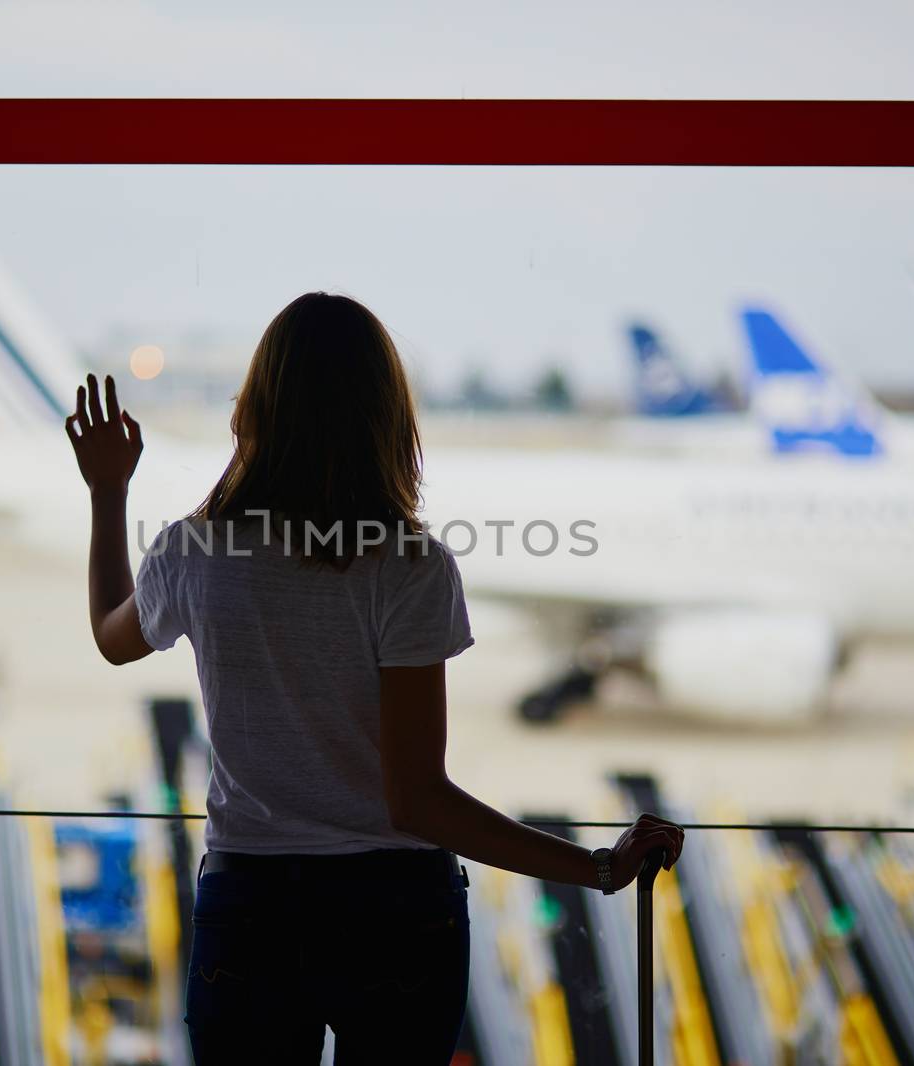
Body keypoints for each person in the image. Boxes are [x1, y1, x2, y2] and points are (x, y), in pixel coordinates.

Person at [66, 292, 683, 1063]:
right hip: (397, 913)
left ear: (255, 405)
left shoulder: (194, 551)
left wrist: (107, 492)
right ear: (385, 414)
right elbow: (417, 798)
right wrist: (594, 867)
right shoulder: (411, 565)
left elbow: (112, 637)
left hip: (252, 903)